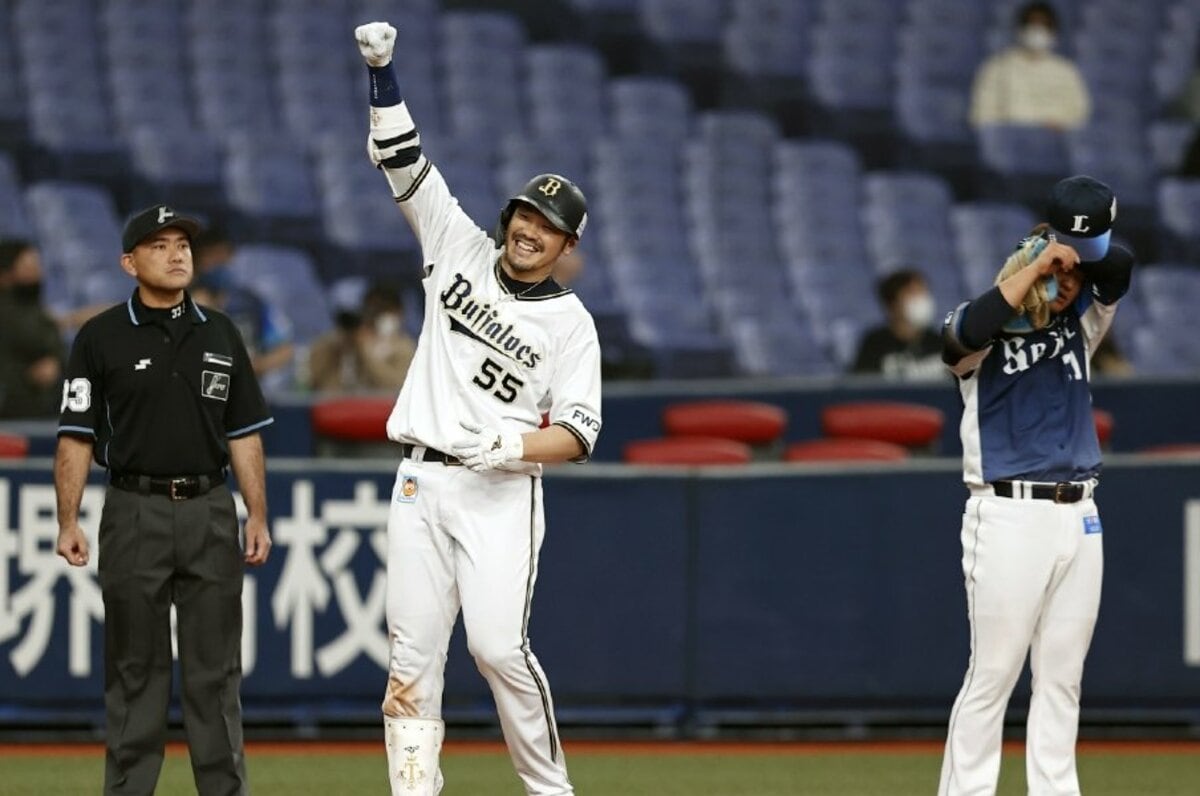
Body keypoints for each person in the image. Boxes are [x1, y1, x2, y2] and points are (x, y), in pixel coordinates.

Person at [354, 21, 602, 796]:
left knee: (498, 649)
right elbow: (404, 162)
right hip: (420, 482)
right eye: (526, 215)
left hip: (499, 494)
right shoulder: (456, 245)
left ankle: (548, 789)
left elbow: (580, 433)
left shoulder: (571, 324)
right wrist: (383, 73)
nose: (532, 231)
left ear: (566, 247)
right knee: (410, 660)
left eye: (550, 227)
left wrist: (515, 448)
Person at [54, 205, 274, 795]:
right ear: (129, 262)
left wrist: (256, 513)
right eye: (159, 245)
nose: (178, 254)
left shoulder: (222, 332)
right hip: (133, 508)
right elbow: (75, 435)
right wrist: (68, 519)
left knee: (216, 675)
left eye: (183, 244)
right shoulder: (99, 336)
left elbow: (244, 432)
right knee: (135, 674)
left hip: (209, 506)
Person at [938, 176, 1134, 795]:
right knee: (993, 675)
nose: (1067, 282)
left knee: (1062, 678)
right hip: (1008, 512)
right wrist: (1032, 268)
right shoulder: (983, 338)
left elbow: (1120, 267)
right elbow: (959, 337)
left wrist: (1069, 243)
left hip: (1081, 513)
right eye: (1058, 271)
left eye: (1074, 273)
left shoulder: (1085, 322)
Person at [191, 227, 296, 390]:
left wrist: (257, 365)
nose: (218, 263)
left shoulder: (250, 303)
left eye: (222, 255)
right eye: (210, 256)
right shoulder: (179, 303)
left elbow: (284, 349)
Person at [969, 1, 1090, 131]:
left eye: (1044, 25)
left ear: (1054, 32)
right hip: (1007, 143)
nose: (1038, 31)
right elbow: (981, 115)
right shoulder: (997, 68)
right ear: (1021, 29)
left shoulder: (1066, 71)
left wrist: (1061, 126)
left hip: (1053, 143)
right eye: (1032, 24)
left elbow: (1079, 114)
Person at [307, 279, 417, 393]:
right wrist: (340, 344)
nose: (377, 315)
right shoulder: (341, 340)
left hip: (382, 408)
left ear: (399, 312)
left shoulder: (404, 346)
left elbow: (396, 385)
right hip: (340, 406)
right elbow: (313, 380)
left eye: (383, 309)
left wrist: (364, 351)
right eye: (373, 309)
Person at [0, 239, 65, 418]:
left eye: (37, 263)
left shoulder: (38, 312)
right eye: (28, 264)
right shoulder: (7, 315)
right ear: (6, 273)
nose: (38, 270)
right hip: (12, 414)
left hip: (45, 409)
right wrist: (28, 375)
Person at [850, 268, 944, 379]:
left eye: (923, 293)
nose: (921, 300)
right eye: (913, 294)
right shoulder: (875, 344)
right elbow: (863, 386)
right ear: (893, 304)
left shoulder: (939, 343)